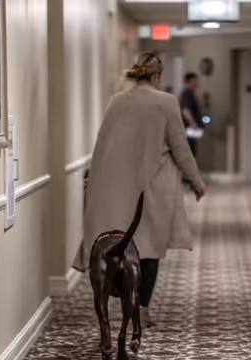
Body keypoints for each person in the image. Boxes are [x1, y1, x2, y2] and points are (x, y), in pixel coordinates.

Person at [73, 53, 207, 328]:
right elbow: (180, 148)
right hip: (152, 187)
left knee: (117, 245)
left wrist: (93, 183)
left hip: (116, 184)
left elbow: (103, 145)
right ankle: (142, 307)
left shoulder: (117, 101)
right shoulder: (167, 102)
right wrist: (196, 181)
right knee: (148, 250)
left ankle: (118, 301)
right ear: (157, 76)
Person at [179, 72, 203, 158]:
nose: (196, 84)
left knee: (192, 150)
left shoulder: (191, 94)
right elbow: (185, 110)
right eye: (194, 82)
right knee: (190, 151)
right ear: (188, 82)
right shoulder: (186, 94)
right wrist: (193, 123)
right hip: (188, 128)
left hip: (190, 129)